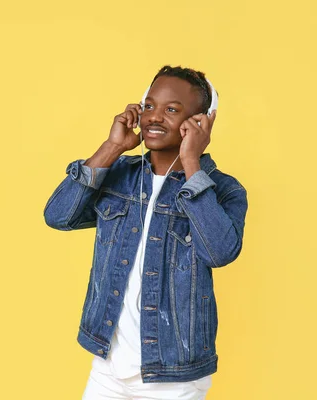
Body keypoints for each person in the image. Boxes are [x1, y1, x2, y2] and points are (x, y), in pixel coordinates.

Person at [43, 65, 248, 399]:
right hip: (108, 368)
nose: (154, 117)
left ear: (200, 123)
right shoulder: (119, 174)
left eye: (171, 109)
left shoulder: (223, 190)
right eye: (149, 105)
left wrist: (192, 162)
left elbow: (219, 252)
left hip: (174, 375)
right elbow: (58, 215)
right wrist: (111, 148)